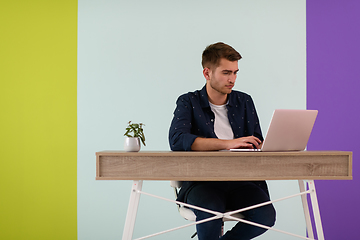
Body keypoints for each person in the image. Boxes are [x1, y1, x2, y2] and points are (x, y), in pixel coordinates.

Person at [168, 42, 276, 240]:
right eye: (226, 72)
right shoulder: (188, 102)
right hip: (202, 182)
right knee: (211, 211)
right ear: (207, 73)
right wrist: (229, 143)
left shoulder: (244, 101)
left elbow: (256, 139)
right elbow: (178, 140)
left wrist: (259, 144)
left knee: (265, 215)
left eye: (235, 72)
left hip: (240, 181)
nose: (232, 79)